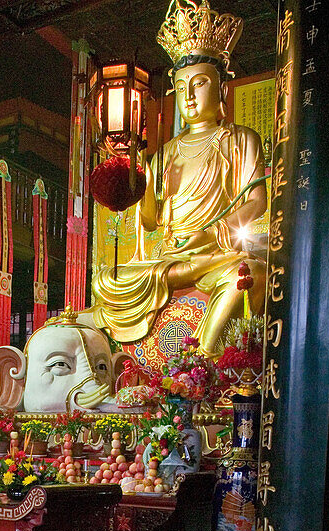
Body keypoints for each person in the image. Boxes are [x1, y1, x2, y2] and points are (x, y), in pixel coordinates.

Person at [88, 0, 267, 358]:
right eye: (181, 86)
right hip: (169, 257)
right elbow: (152, 221)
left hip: (216, 251)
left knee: (248, 276)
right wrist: (139, 182)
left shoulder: (239, 139)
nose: (188, 95)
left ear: (222, 91)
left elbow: (257, 199)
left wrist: (216, 232)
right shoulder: (166, 152)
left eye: (199, 84)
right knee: (105, 279)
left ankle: (202, 361)